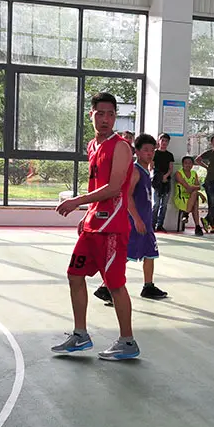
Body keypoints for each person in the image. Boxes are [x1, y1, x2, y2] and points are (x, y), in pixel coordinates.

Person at [52, 93, 140, 360]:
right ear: (91, 115)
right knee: (74, 275)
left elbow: (114, 188)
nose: (105, 119)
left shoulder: (121, 147)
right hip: (93, 226)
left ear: (115, 117)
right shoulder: (93, 146)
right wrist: (88, 213)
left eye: (110, 114)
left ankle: (127, 341)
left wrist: (77, 202)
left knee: (114, 285)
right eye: (100, 113)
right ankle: (80, 335)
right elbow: (98, 186)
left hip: (112, 228)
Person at [95, 134, 168, 304]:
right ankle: (106, 287)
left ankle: (148, 286)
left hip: (145, 221)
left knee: (150, 253)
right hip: (136, 222)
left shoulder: (146, 171)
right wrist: (136, 219)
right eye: (146, 150)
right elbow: (126, 195)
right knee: (125, 256)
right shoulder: (135, 171)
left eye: (152, 150)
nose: (149, 153)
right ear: (137, 152)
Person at [173, 155, 204, 235]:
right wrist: (198, 192)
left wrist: (194, 189)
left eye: (190, 163)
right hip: (181, 198)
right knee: (195, 197)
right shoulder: (178, 173)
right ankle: (197, 226)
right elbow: (188, 187)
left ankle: (186, 214)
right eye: (186, 163)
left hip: (190, 198)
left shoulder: (194, 173)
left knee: (194, 196)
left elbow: (198, 187)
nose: (188, 165)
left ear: (192, 164)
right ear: (182, 164)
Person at [151, 133, 174, 232]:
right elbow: (151, 167)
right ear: (158, 141)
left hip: (166, 181)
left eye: (166, 141)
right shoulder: (154, 153)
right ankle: (152, 224)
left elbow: (171, 168)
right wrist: (159, 177)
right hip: (156, 181)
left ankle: (160, 224)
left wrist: (165, 176)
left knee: (164, 205)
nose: (164, 143)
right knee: (155, 204)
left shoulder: (169, 155)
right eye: (162, 140)